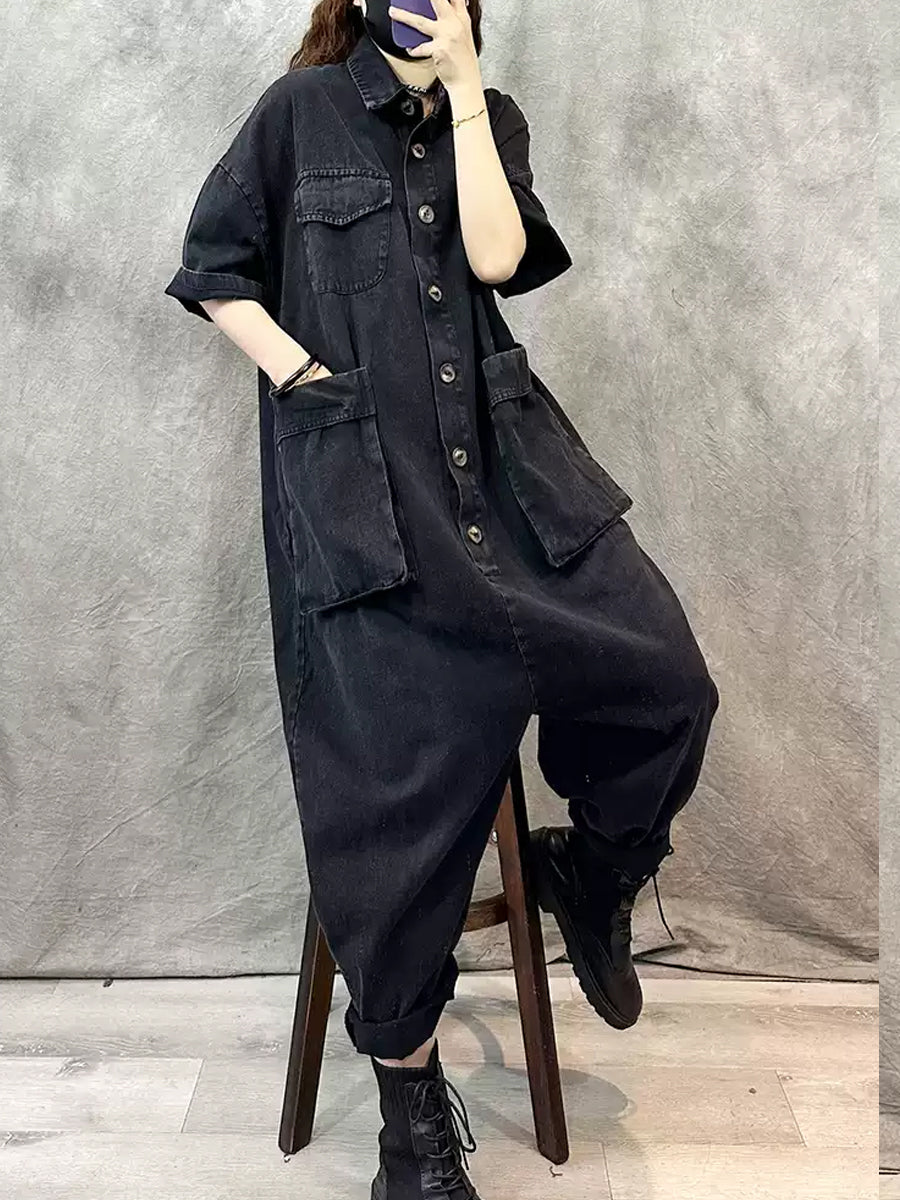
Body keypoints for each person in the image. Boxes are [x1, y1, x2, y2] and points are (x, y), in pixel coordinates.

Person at [164, 2, 721, 1196]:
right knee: (393, 793)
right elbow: (214, 268)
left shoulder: (491, 119)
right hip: (374, 505)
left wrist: (465, 91)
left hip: (511, 484)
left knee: (668, 682)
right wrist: (302, 373)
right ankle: (409, 1122)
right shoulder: (299, 114)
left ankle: (594, 876)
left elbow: (498, 260)